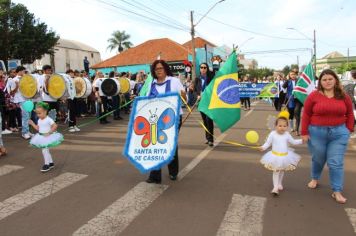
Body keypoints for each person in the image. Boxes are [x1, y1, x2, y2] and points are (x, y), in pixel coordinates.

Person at [301, 69, 354, 204]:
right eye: (324, 80)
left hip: (338, 134)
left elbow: (349, 114)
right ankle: (315, 177)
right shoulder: (313, 96)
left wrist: (348, 130)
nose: (327, 82)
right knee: (318, 158)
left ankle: (337, 191)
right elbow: (306, 114)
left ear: (335, 80)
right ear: (320, 82)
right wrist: (304, 132)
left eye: (330, 79)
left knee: (335, 162)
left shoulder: (344, 96)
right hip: (316, 133)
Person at [144, 60, 187, 184]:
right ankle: (155, 175)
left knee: (170, 145)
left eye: (161, 68)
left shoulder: (174, 81)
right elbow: (147, 100)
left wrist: (184, 95)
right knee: (156, 145)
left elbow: (184, 99)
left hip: (173, 119)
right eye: (156, 69)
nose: (158, 71)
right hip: (155, 120)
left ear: (165, 69)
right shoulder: (152, 83)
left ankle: (173, 172)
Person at [260, 116, 303, 196]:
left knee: (282, 170)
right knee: (276, 171)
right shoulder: (272, 134)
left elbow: (293, 142)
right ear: (275, 126)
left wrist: (302, 140)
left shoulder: (287, 134)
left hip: (285, 157)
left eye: (284, 126)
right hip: (275, 156)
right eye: (280, 126)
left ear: (287, 127)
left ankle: (279, 183)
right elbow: (268, 143)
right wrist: (263, 147)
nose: (282, 128)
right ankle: (275, 187)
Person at [29, 102, 64, 172]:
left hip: (47, 137)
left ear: (45, 112)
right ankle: (51, 163)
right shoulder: (39, 120)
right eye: (37, 113)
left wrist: (49, 132)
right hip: (41, 137)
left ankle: (46, 164)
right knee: (46, 151)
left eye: (40, 113)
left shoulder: (48, 119)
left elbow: (55, 126)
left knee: (44, 151)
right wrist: (32, 123)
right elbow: (38, 129)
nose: (38, 115)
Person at [194, 63, 215, 146]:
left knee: (209, 120)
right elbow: (195, 90)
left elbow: (214, 88)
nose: (203, 69)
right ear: (199, 69)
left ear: (207, 69)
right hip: (201, 103)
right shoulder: (197, 79)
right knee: (204, 121)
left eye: (204, 67)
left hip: (209, 102)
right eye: (201, 67)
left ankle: (211, 139)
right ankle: (207, 137)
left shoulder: (210, 78)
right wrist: (198, 95)